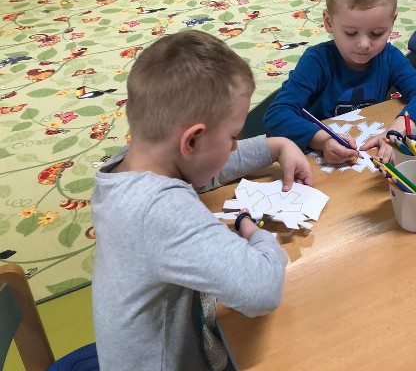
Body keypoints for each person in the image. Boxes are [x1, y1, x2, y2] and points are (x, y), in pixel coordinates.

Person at [91, 30, 313, 371]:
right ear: (192, 141)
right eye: (233, 136)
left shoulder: (133, 165)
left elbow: (203, 168)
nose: (235, 146)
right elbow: (262, 291)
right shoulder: (159, 209)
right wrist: (255, 233)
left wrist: (275, 146)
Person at [265, 0, 416, 164]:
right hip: (321, 158)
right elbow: (277, 114)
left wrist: (397, 130)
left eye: (377, 33)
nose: (364, 44)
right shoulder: (317, 61)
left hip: (366, 150)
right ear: (329, 22)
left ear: (392, 23)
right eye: (350, 33)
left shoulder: (388, 56)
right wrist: (323, 141)